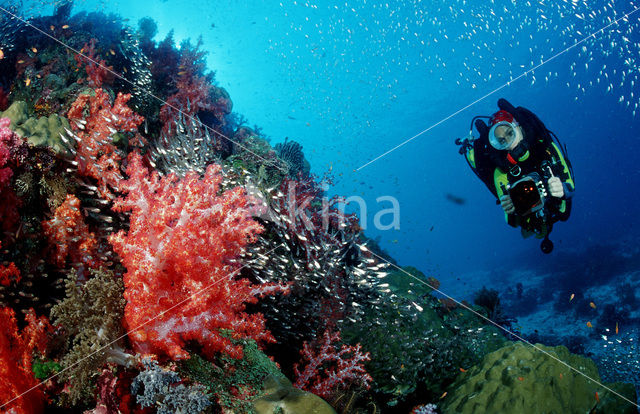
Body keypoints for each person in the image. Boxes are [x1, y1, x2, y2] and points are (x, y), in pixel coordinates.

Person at [456, 98, 575, 253]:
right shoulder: (501, 172)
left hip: (554, 209)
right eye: (501, 140)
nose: (509, 142)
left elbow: (569, 192)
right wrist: (511, 211)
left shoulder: (545, 149)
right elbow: (514, 223)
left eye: (510, 133)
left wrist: (562, 190)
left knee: (564, 216)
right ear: (496, 144)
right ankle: (471, 149)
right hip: (532, 220)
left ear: (518, 127)